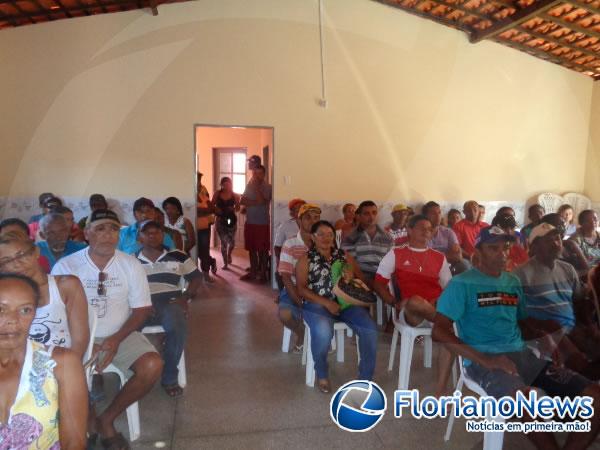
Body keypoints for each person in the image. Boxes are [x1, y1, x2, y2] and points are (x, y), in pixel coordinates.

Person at [432, 226, 600, 450]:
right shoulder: (462, 283)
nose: (502, 254)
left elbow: (521, 321)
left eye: (506, 247)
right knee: (526, 402)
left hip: (522, 354)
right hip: (484, 361)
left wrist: (546, 340)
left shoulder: (512, 282)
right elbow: (439, 331)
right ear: (478, 251)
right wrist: (487, 360)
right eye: (494, 248)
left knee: (596, 397)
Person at [53, 209, 163, 448]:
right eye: (100, 228)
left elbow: (142, 310)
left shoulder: (130, 264)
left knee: (152, 365)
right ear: (86, 233)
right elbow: (55, 313)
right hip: (75, 336)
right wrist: (84, 342)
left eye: (113, 229)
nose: (107, 235)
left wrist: (114, 340)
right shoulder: (67, 266)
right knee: (69, 371)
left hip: (121, 333)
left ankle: (107, 420)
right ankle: (90, 420)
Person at [0, 273, 88, 449]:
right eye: (0, 309)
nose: (12, 321)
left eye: (25, 310)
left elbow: (74, 442)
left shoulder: (61, 364)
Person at [373, 214, 453, 395]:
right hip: (411, 313)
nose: (427, 231)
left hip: (435, 310)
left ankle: (441, 391)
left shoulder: (439, 257)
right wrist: (393, 302)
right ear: (409, 230)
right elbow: (378, 283)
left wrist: (435, 302)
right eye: (422, 228)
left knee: (446, 332)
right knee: (416, 301)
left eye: (430, 229)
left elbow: (449, 288)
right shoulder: (396, 253)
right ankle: (446, 324)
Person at [296, 220, 377, 393]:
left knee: (369, 328)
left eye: (330, 234)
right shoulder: (306, 259)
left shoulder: (344, 256)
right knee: (323, 331)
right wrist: (326, 303)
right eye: (321, 234)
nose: (326, 238)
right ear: (313, 237)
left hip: (346, 304)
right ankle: (322, 373)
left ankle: (365, 378)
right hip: (317, 304)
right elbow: (301, 289)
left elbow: (361, 279)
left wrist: (352, 276)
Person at [514, 223, 600, 380]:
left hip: (573, 327)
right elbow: (516, 314)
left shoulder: (568, 269)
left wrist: (590, 325)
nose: (556, 243)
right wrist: (541, 331)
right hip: (548, 333)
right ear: (535, 246)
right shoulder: (521, 274)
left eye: (558, 238)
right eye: (548, 240)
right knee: (582, 367)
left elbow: (579, 303)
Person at [136, 220, 202, 397]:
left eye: (156, 231)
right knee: (125, 327)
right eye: (146, 232)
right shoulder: (131, 260)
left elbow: (196, 278)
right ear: (139, 237)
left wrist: (185, 296)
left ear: (163, 235)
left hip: (170, 301)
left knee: (177, 322)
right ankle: (134, 374)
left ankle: (170, 376)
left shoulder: (178, 255)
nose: (152, 235)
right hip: (142, 304)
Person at [0, 232, 89, 358]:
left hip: (62, 364)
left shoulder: (66, 285)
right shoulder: (4, 297)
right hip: (19, 369)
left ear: (36, 252)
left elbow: (80, 341)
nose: (17, 263)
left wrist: (69, 370)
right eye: (7, 261)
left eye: (22, 255)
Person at [277, 204, 321, 352]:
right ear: (299, 221)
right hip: (294, 288)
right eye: (308, 217)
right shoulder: (290, 244)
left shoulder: (324, 244)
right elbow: (286, 278)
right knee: (285, 314)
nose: (312, 221)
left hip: (318, 290)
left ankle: (322, 338)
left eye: (316, 218)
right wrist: (300, 301)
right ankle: (302, 333)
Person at [342, 200, 393, 286]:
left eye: (374, 213)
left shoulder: (387, 238)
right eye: (366, 214)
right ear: (359, 216)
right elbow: (350, 264)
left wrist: (382, 282)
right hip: (360, 281)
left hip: (383, 280)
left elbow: (390, 264)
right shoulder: (350, 238)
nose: (371, 217)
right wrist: (365, 282)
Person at [240, 165, 272, 283]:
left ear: (264, 174)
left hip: (262, 223)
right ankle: (253, 272)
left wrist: (256, 189)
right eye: (255, 173)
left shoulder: (268, 187)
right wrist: (254, 202)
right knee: (251, 249)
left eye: (259, 173)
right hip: (250, 222)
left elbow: (263, 201)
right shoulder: (249, 186)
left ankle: (263, 275)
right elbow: (242, 200)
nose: (257, 176)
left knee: (262, 250)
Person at [422, 201, 464, 273]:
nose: (438, 216)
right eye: (433, 213)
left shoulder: (448, 232)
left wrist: (435, 257)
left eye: (439, 212)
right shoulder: (420, 233)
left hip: (449, 266)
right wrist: (448, 255)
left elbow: (458, 256)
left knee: (464, 265)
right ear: (425, 216)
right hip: (428, 268)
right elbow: (424, 258)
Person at [212, 177, 241, 270]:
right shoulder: (217, 194)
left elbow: (238, 208)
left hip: (231, 220)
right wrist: (216, 209)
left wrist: (233, 208)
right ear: (222, 185)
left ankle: (229, 254)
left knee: (232, 243)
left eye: (228, 184)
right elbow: (211, 205)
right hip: (220, 220)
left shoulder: (235, 195)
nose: (227, 186)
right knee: (223, 242)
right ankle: (225, 263)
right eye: (225, 184)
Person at [197, 173, 218, 282]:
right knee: (196, 251)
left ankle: (206, 274)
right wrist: (205, 211)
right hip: (193, 226)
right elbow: (194, 211)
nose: (199, 182)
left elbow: (210, 206)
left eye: (200, 179)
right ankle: (211, 261)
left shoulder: (203, 189)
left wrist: (205, 211)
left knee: (204, 250)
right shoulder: (189, 189)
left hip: (205, 225)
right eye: (197, 179)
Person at [274, 198, 306, 262]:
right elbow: (277, 248)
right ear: (292, 213)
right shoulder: (285, 226)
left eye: (303, 208)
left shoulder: (312, 226)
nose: (300, 211)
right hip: (290, 262)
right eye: (297, 209)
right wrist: (285, 261)